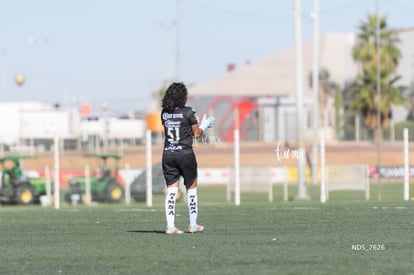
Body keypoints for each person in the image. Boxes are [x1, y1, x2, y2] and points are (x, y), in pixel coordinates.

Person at [161, 82, 215, 234]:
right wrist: (204, 125)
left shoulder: (164, 113)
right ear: (182, 96)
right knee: (191, 188)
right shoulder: (189, 112)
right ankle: (193, 225)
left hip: (168, 154)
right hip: (185, 154)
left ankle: (170, 226)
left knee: (171, 190)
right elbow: (197, 134)